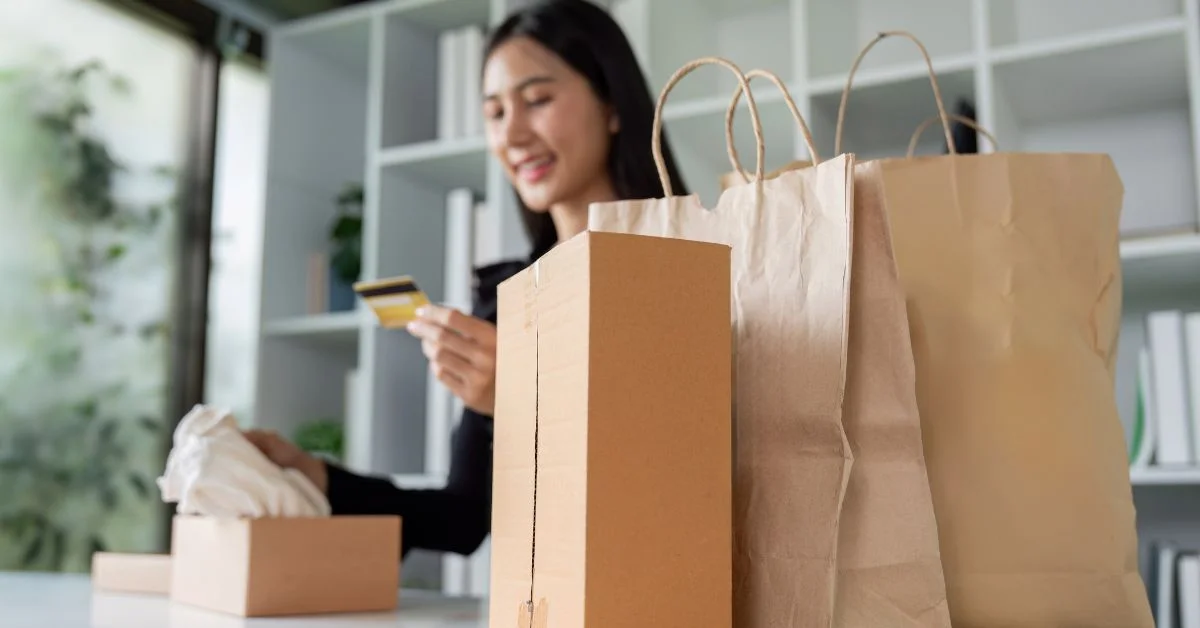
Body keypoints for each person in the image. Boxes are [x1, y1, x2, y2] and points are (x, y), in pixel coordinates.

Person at [244, 0, 690, 558]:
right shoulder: (511, 300)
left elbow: (684, 481)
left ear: (613, 105)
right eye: (495, 113)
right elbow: (461, 517)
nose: (513, 134)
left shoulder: (690, 268)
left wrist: (522, 402)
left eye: (537, 100)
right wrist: (310, 472)